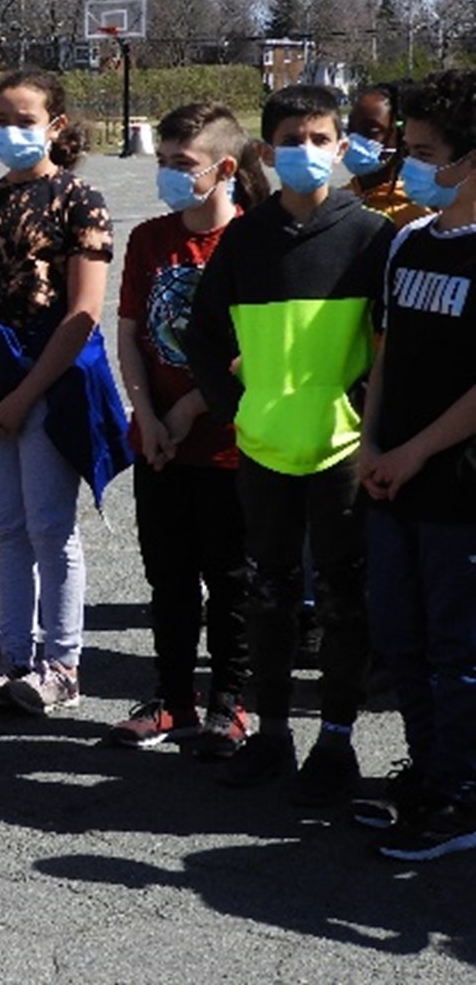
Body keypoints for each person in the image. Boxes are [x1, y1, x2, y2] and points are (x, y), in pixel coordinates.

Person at [183, 83, 396, 805]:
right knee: (267, 596)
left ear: (340, 147)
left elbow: (395, 344)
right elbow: (203, 336)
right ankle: (271, 734)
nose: (307, 151)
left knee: (344, 600)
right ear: (266, 153)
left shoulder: (371, 236)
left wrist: (367, 418)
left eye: (320, 139)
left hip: (341, 451)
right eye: (291, 141)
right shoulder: (245, 239)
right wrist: (237, 409)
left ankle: (336, 740)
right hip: (264, 448)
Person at [0, 70, 125, 716]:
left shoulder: (79, 199)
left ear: (55, 126)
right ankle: (13, 657)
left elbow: (85, 310)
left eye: (25, 120)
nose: (10, 131)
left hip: (49, 373)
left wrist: (26, 397)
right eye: (1, 119)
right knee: (8, 527)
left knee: (51, 525)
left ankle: (63, 663)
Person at [106, 103, 251, 756]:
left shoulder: (250, 242)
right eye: (162, 161)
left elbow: (250, 351)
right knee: (168, 577)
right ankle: (173, 699)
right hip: (159, 445)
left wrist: (189, 409)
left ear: (224, 169)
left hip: (228, 447)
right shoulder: (149, 240)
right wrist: (147, 415)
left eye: (182, 163)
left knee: (231, 580)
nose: (168, 173)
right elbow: (131, 334)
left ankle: (230, 701)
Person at [358, 68, 476, 860]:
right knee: (402, 637)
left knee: (457, 649)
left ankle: (461, 793)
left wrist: (415, 450)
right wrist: (372, 445)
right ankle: (427, 770)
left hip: (456, 485)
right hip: (391, 475)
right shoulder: (408, 241)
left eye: (429, 153)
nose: (410, 167)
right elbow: (387, 355)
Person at [344, 83, 429, 227]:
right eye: (351, 128)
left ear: (401, 135)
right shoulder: (336, 201)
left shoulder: (416, 214)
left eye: (371, 131)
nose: (354, 138)